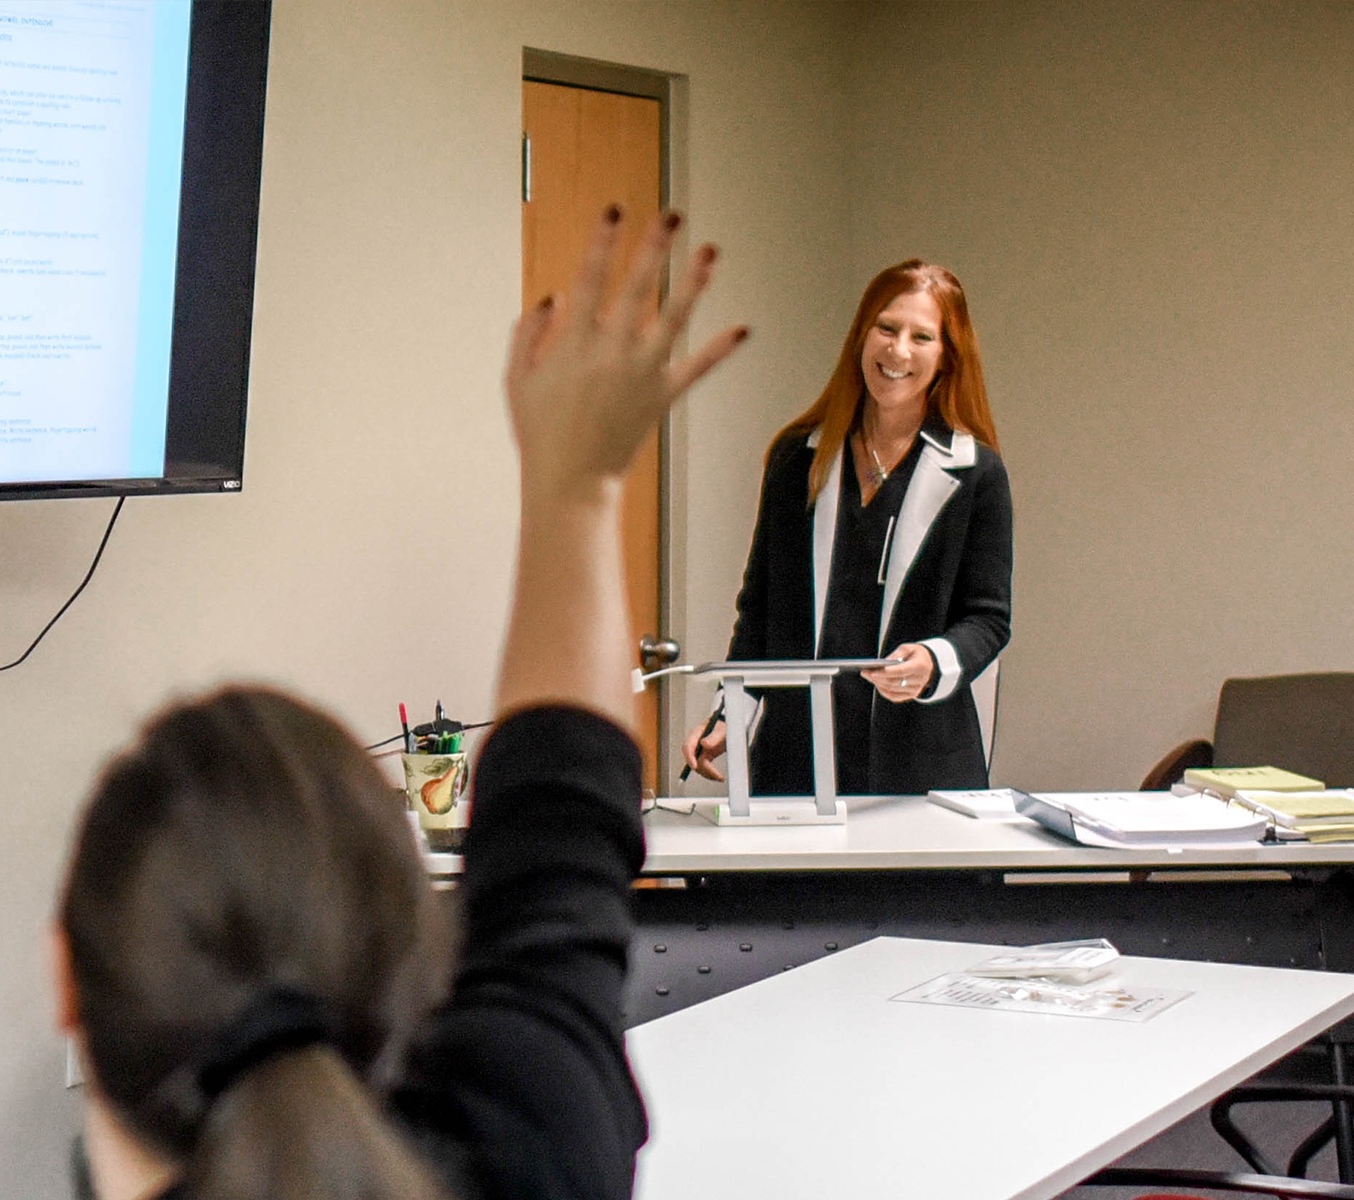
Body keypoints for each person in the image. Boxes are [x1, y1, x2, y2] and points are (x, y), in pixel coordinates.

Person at [50, 206, 746, 1200]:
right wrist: (576, 484)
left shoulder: (537, 1128)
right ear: (421, 963)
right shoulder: (532, 1140)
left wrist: (575, 487)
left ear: (63, 983)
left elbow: (561, 847)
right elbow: (559, 843)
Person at [682, 260, 1010, 797]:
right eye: (886, 328)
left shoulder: (978, 474)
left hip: (923, 773)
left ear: (947, 355)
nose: (899, 350)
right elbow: (760, 610)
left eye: (922, 336)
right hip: (795, 765)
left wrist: (933, 662)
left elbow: (989, 620)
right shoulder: (796, 459)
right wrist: (729, 711)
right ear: (861, 336)